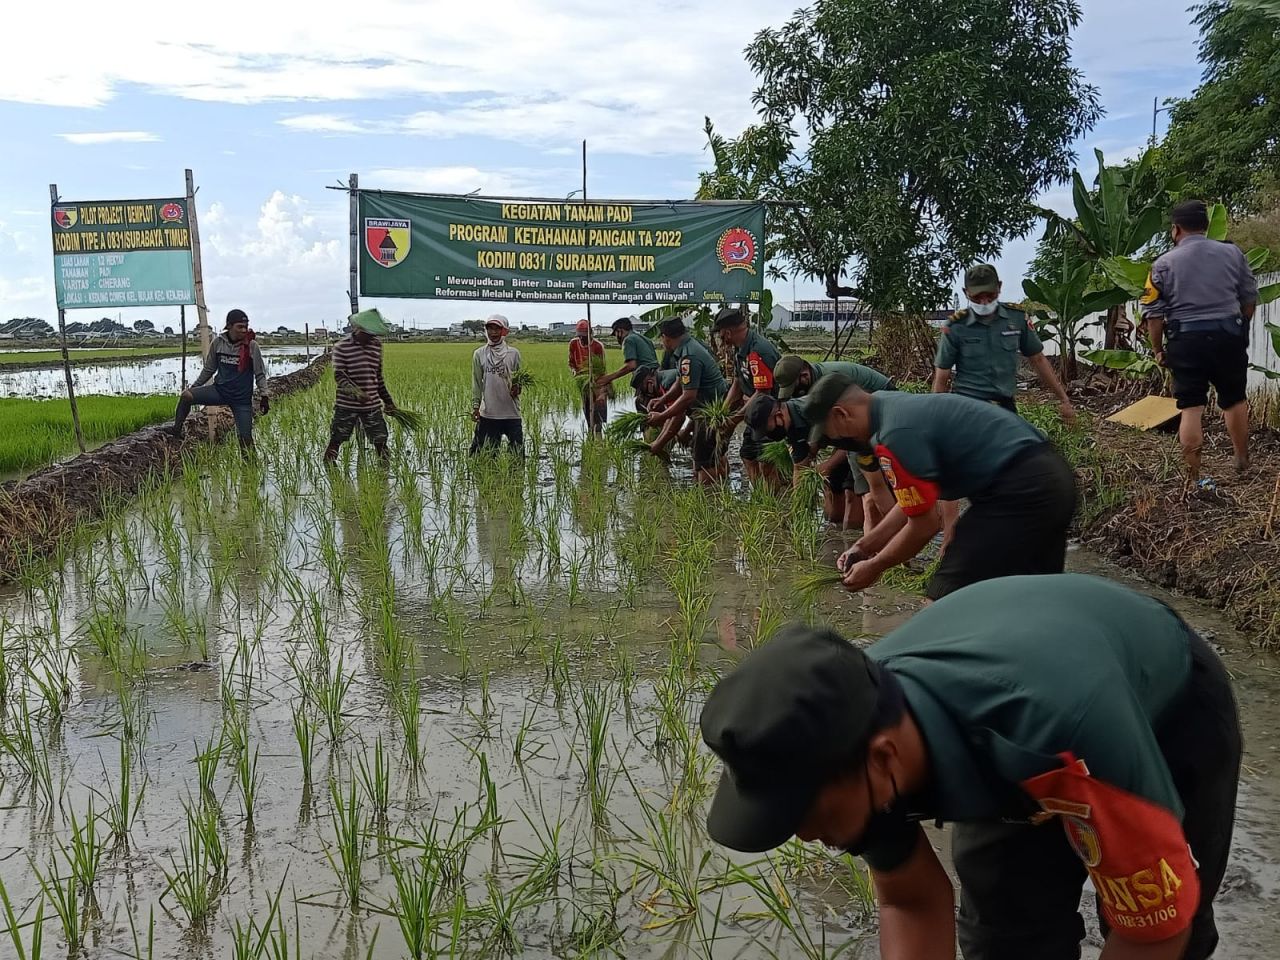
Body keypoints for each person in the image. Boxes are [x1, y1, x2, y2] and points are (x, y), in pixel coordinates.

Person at [700, 574, 1241, 960]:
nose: (803, 834)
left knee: (1167, 922)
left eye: (803, 812)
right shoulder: (852, 728)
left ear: (883, 758)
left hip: (1163, 708)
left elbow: (1153, 934)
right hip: (1008, 721)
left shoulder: (1060, 727)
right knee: (1003, 937)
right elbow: (911, 902)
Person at [805, 373, 1077, 600]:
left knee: (943, 598)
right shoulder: (892, 406)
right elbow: (913, 503)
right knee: (1036, 599)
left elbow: (924, 525)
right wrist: (863, 547)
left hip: (1018, 491)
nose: (839, 441)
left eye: (833, 434)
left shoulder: (893, 435)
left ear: (841, 414)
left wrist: (876, 566)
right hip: (1052, 478)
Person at [1145, 199, 1258, 483]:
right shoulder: (1233, 253)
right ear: (1206, 226)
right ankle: (1242, 459)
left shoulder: (1163, 264)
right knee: (1234, 400)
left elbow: (1154, 315)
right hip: (1227, 335)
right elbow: (1248, 299)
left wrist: (1158, 349)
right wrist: (1240, 328)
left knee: (1191, 407)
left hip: (1186, 340)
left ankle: (1193, 477)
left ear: (1176, 229)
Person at [933, 263, 1077, 422]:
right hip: (968, 409)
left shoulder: (1016, 318)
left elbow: (1038, 359)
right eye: (977, 297)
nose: (984, 302)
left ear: (999, 287)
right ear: (966, 293)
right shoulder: (955, 326)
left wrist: (1063, 399)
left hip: (1005, 407)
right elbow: (942, 376)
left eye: (990, 295)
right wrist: (937, 419)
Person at [743, 392, 894, 532]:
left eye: (766, 429)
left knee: (870, 499)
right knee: (866, 500)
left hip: (875, 434)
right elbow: (799, 468)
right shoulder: (791, 426)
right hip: (855, 445)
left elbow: (854, 436)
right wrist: (798, 509)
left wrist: (827, 466)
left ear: (778, 415)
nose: (768, 435)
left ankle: (894, 541)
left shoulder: (813, 411)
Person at [169, 308, 269, 452]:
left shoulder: (252, 346)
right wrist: (194, 387)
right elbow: (209, 369)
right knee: (186, 396)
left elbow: (260, 374)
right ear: (229, 326)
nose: (244, 330)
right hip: (220, 391)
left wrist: (264, 395)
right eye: (240, 327)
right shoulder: (218, 343)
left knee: (245, 440)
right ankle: (176, 431)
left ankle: (251, 470)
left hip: (241, 399)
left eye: (245, 327)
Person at [646, 316, 730, 484]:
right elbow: (680, 381)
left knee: (703, 460)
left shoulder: (689, 355)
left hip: (711, 412)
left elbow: (688, 396)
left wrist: (660, 417)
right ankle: (722, 491)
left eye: (661, 338)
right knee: (710, 454)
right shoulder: (686, 348)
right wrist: (662, 400)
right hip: (707, 409)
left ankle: (707, 501)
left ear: (666, 337)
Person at [715, 306, 783, 486]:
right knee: (748, 455)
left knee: (767, 462)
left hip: (771, 414)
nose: (720, 338)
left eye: (720, 333)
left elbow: (763, 392)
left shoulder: (757, 350)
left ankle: (773, 502)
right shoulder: (741, 349)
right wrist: (723, 412)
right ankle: (761, 498)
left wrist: (735, 419)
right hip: (756, 412)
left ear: (727, 333)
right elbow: (738, 382)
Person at [323, 308, 397, 463]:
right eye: (368, 334)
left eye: (373, 335)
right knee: (337, 439)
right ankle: (331, 472)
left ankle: (385, 477)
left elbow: (377, 377)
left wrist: (388, 401)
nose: (371, 337)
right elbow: (340, 376)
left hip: (372, 405)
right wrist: (356, 393)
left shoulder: (376, 346)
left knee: (381, 441)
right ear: (358, 329)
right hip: (346, 405)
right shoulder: (341, 347)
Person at [469, 314, 524, 455]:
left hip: (511, 412)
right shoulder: (479, 354)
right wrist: (476, 406)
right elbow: (476, 382)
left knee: (517, 456)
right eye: (490, 329)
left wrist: (517, 388)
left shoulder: (514, 354)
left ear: (504, 331)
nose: (493, 333)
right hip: (489, 413)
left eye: (497, 329)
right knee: (486, 456)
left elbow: (519, 379)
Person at [597, 317, 658, 410]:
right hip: (658, 377)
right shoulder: (645, 339)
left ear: (619, 331)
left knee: (644, 409)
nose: (617, 338)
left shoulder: (628, 340)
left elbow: (631, 365)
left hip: (647, 379)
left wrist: (609, 378)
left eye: (616, 334)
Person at [774, 355, 892, 400]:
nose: (795, 393)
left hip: (882, 394)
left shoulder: (830, 380)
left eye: (794, 387)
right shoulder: (814, 375)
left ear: (804, 376)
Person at [568, 319, 608, 433]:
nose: (581, 339)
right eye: (580, 336)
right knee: (587, 408)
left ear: (590, 333)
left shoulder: (598, 346)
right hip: (583, 382)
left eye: (584, 336)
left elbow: (601, 368)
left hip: (597, 382)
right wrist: (574, 372)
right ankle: (591, 433)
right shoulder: (573, 344)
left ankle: (598, 435)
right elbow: (571, 363)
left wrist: (597, 384)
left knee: (598, 410)